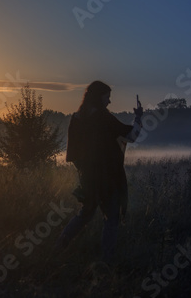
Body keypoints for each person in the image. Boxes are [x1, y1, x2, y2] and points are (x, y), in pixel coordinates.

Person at [56, 80, 143, 263]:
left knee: (85, 214)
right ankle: (107, 259)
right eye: (107, 97)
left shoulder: (77, 118)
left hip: (88, 178)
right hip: (109, 178)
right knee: (111, 217)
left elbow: (72, 154)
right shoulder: (104, 118)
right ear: (99, 97)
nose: (109, 102)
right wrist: (138, 119)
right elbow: (130, 136)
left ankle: (60, 245)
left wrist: (84, 172)